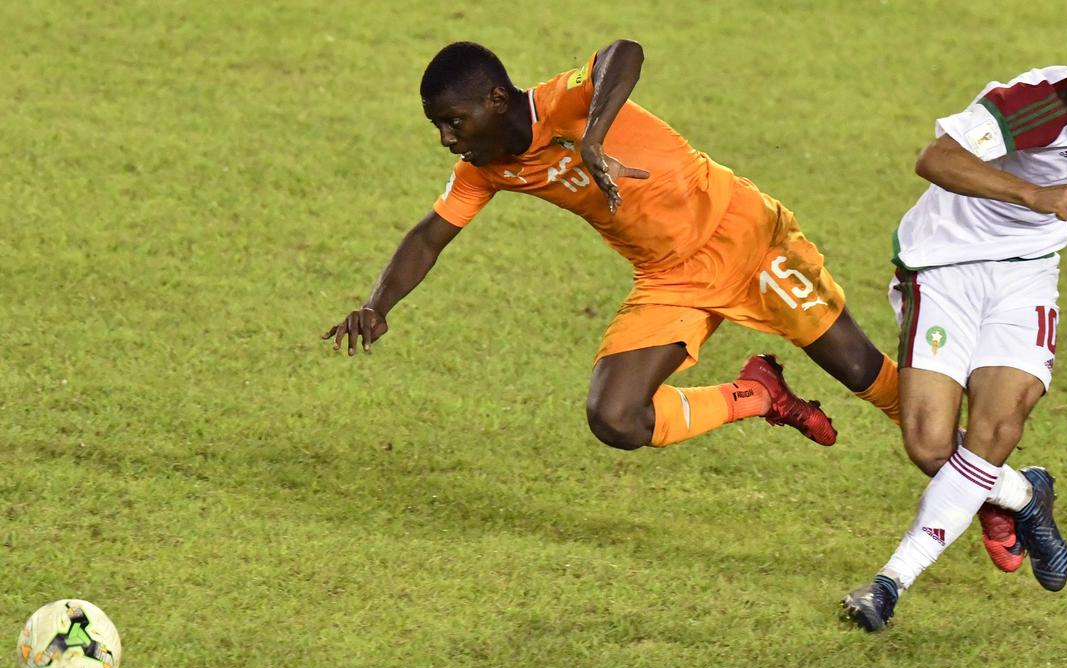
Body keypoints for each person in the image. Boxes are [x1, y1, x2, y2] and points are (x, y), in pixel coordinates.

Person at [324, 40, 904, 452]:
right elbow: (429, 236)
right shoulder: (487, 167)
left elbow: (623, 52)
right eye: (438, 127)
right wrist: (378, 304)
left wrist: (593, 138)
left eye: (454, 121)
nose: (447, 139)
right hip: (670, 278)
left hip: (745, 236)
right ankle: (756, 393)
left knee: (863, 373)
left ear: (496, 100)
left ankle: (973, 471)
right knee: (616, 417)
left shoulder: (562, 103)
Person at [843, 9, 1067, 631]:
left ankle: (888, 585)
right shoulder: (1040, 101)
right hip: (945, 262)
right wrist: (1033, 195)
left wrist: (1039, 219)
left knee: (998, 424)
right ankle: (1023, 494)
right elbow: (934, 159)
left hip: (1026, 273)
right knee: (930, 444)